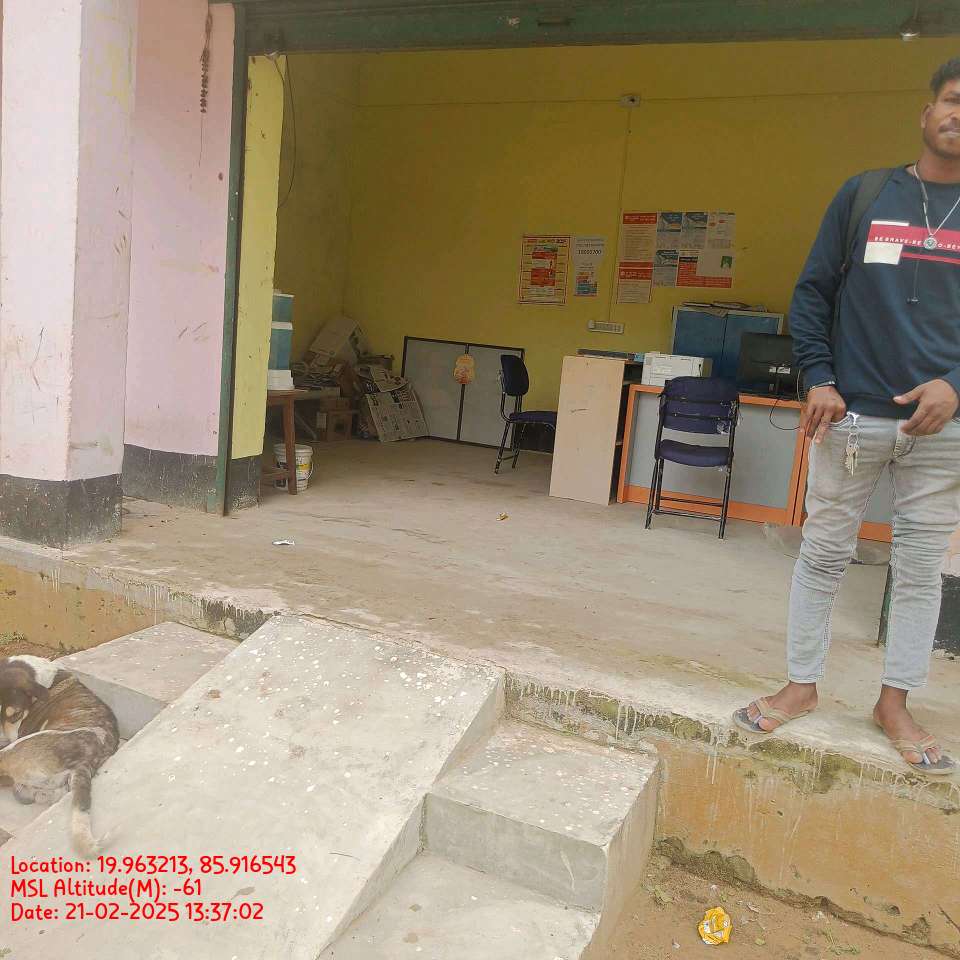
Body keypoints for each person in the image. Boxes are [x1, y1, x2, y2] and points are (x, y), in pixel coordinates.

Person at [734, 58, 960, 776]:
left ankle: (895, 703)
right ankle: (801, 685)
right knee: (823, 554)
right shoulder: (865, 194)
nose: (959, 115)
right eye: (953, 100)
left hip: (943, 429)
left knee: (919, 570)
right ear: (926, 112)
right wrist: (820, 377)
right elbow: (811, 293)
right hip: (852, 417)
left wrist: (955, 386)